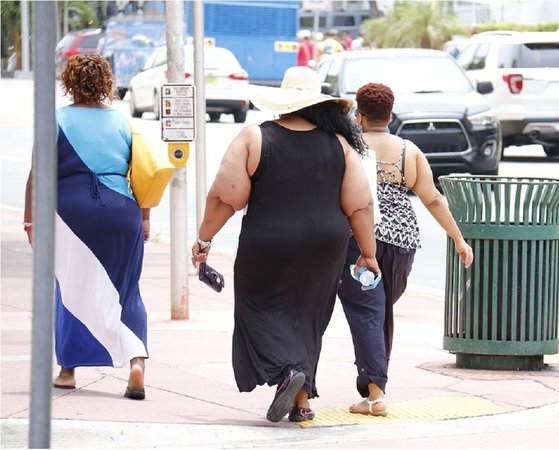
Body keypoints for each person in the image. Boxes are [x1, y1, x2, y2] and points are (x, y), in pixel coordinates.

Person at [190, 66, 380, 423]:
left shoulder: (256, 138)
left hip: (268, 242)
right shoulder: (339, 145)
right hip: (326, 245)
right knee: (309, 314)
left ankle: (287, 373)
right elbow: (361, 205)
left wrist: (204, 238)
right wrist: (368, 254)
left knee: (256, 307)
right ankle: (302, 400)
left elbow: (224, 197)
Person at [337, 82, 474, 416]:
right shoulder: (407, 151)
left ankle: (375, 392)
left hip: (358, 240)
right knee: (380, 310)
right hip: (401, 245)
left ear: (359, 114)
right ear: (391, 113)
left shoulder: (346, 146)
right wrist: (458, 238)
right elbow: (433, 198)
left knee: (368, 313)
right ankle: (373, 388)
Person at [23, 54, 149, 400]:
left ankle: (67, 371)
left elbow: (38, 174)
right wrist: (145, 217)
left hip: (71, 214)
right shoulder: (124, 122)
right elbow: (142, 174)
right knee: (127, 290)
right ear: (106, 83)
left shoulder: (56, 119)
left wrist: (30, 220)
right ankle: (136, 360)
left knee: (71, 288)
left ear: (70, 83)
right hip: (122, 210)